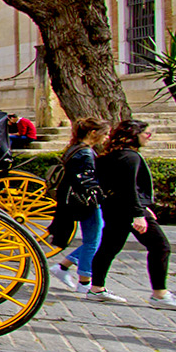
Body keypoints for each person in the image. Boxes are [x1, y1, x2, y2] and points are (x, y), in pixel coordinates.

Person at [89, 120, 175, 307]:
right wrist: (138, 214)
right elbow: (128, 188)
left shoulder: (108, 156)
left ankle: (96, 288)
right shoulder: (130, 157)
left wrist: (144, 207)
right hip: (128, 210)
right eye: (146, 133)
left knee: (109, 247)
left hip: (113, 208)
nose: (149, 137)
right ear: (133, 135)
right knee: (161, 246)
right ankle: (160, 294)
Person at [48, 117, 107, 290]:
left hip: (74, 200)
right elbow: (86, 181)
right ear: (93, 133)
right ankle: (84, 280)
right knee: (93, 240)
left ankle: (64, 266)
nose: (106, 137)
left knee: (94, 239)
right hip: (85, 202)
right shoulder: (85, 152)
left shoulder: (75, 149)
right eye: (104, 133)